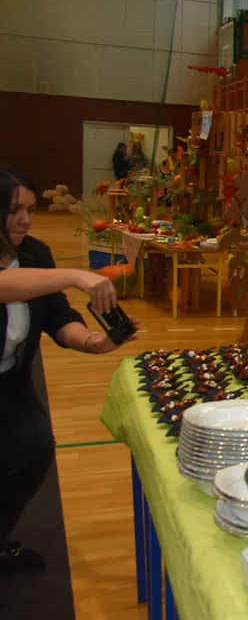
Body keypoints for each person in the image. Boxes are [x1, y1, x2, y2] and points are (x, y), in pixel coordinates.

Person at [0, 165, 139, 578]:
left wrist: (93, 342)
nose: (25, 218)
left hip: (10, 382)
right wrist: (79, 275)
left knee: (34, 450)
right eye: (13, 210)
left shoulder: (35, 253)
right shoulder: (36, 267)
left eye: (30, 209)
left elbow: (57, 315)